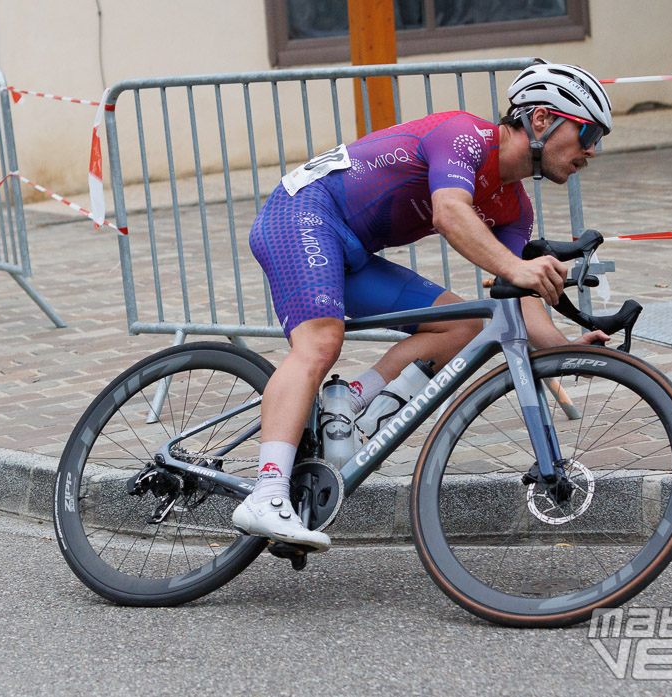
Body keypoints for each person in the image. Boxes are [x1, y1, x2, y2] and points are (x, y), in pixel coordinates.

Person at [232, 61, 612, 551]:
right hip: (301, 213)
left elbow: (512, 298)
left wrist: (566, 349)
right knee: (320, 340)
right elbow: (449, 211)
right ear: (541, 120)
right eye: (588, 133)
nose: (593, 151)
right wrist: (518, 269)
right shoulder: (464, 135)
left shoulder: (515, 206)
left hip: (349, 250)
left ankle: (348, 404)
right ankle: (265, 494)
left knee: (468, 324)